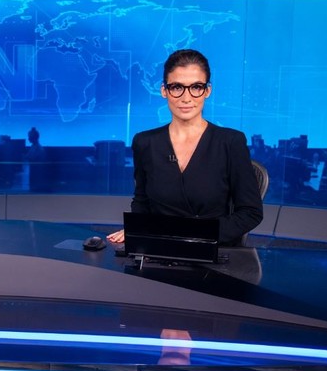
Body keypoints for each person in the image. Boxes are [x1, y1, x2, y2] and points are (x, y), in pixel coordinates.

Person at [108, 49, 263, 247]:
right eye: (177, 87)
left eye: (196, 87)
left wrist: (197, 236)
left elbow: (251, 212)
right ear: (164, 90)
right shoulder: (145, 143)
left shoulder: (231, 142)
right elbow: (142, 201)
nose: (186, 98)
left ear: (207, 91)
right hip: (159, 248)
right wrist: (137, 229)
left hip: (210, 249)